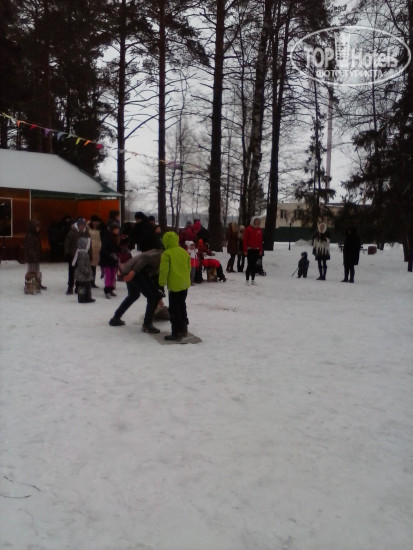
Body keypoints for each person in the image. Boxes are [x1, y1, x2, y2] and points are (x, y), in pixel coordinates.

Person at [109, 249, 163, 333]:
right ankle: (147, 324)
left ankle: (116, 318)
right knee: (152, 297)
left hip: (132, 271)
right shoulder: (159, 255)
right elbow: (144, 258)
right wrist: (133, 272)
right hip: (135, 272)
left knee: (134, 295)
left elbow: (155, 278)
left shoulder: (161, 254)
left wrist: (159, 295)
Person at [159, 231, 191, 341]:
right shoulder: (184, 252)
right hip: (184, 284)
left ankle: (176, 332)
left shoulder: (167, 254)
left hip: (174, 285)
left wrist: (161, 284)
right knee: (182, 305)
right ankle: (184, 327)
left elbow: (164, 271)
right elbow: (189, 267)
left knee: (174, 309)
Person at [64, 217, 90, 295]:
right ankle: (70, 286)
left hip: (82, 256)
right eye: (81, 225)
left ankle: (78, 286)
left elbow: (89, 244)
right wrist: (67, 253)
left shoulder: (86, 233)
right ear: (78, 225)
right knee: (71, 271)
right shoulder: (72, 232)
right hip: (73, 255)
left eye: (84, 225)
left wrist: (90, 254)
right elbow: (67, 243)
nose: (82, 226)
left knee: (80, 272)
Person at [24, 219, 46, 292]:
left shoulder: (35, 235)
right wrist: (33, 257)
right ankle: (30, 285)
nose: (38, 228)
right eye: (37, 227)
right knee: (32, 271)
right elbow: (30, 248)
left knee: (36, 271)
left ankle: (37, 283)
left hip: (35, 257)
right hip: (32, 258)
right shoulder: (31, 236)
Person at [100, 221, 120, 298]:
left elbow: (116, 248)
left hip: (113, 259)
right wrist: (110, 254)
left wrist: (120, 251)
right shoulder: (107, 238)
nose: (117, 230)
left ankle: (111, 289)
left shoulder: (116, 238)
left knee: (113, 275)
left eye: (118, 229)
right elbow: (103, 250)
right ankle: (107, 290)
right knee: (108, 275)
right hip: (106, 260)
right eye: (116, 229)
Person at [72, 236, 95, 303]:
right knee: (82, 286)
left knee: (88, 286)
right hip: (82, 274)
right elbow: (81, 265)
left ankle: (88, 297)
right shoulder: (82, 254)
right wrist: (86, 271)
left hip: (85, 274)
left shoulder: (84, 253)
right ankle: (81, 298)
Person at [243, 218, 263, 285]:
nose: (257, 222)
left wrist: (260, 250)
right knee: (249, 264)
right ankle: (247, 280)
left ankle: (253, 280)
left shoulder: (260, 230)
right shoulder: (248, 229)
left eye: (258, 221)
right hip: (250, 249)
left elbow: (260, 241)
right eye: (256, 221)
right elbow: (245, 240)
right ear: (253, 221)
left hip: (256, 249)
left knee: (254, 265)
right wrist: (245, 250)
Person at [87, 215, 103, 288]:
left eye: (97, 221)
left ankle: (92, 282)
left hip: (97, 249)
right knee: (89, 266)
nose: (96, 223)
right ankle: (88, 281)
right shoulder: (87, 228)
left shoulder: (101, 228)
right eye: (95, 221)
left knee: (94, 266)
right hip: (90, 249)